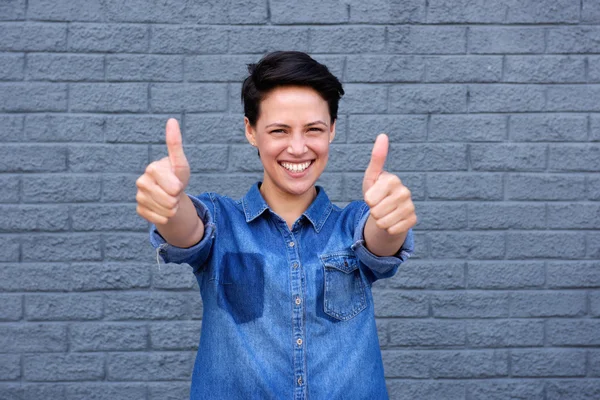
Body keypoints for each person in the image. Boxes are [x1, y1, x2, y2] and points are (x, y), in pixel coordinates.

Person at [136, 51, 417, 400]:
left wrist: (391, 219)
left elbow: (379, 239)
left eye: (313, 129)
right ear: (251, 131)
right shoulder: (222, 222)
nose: (297, 148)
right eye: (279, 130)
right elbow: (186, 229)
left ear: (332, 130)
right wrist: (170, 203)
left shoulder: (353, 224)